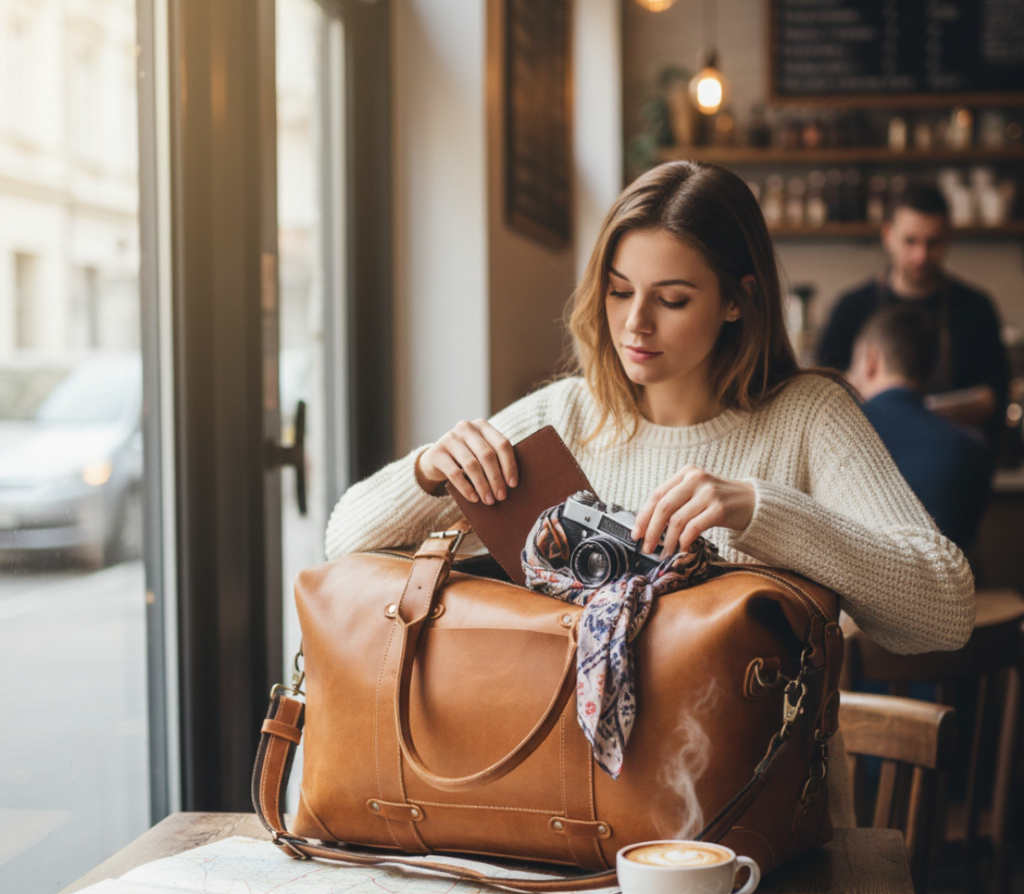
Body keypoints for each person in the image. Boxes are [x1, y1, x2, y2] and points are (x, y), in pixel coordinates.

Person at [326, 161, 973, 656]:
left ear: (737, 301)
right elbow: (343, 543)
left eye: (671, 299)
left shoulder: (808, 418)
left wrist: (762, 511)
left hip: (748, 815)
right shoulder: (568, 416)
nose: (634, 324)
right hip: (566, 805)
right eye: (618, 291)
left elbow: (946, 613)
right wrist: (426, 473)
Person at [815, 183, 1009, 449]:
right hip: (867, 461)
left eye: (933, 243)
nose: (921, 256)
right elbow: (823, 391)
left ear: (949, 237)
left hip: (948, 460)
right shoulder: (851, 307)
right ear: (888, 235)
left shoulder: (976, 308)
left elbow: (992, 397)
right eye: (910, 241)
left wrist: (920, 414)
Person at [846, 305, 991, 552]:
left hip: (852, 587)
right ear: (933, 371)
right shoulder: (972, 450)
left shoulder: (841, 433)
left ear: (871, 361)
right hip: (954, 588)